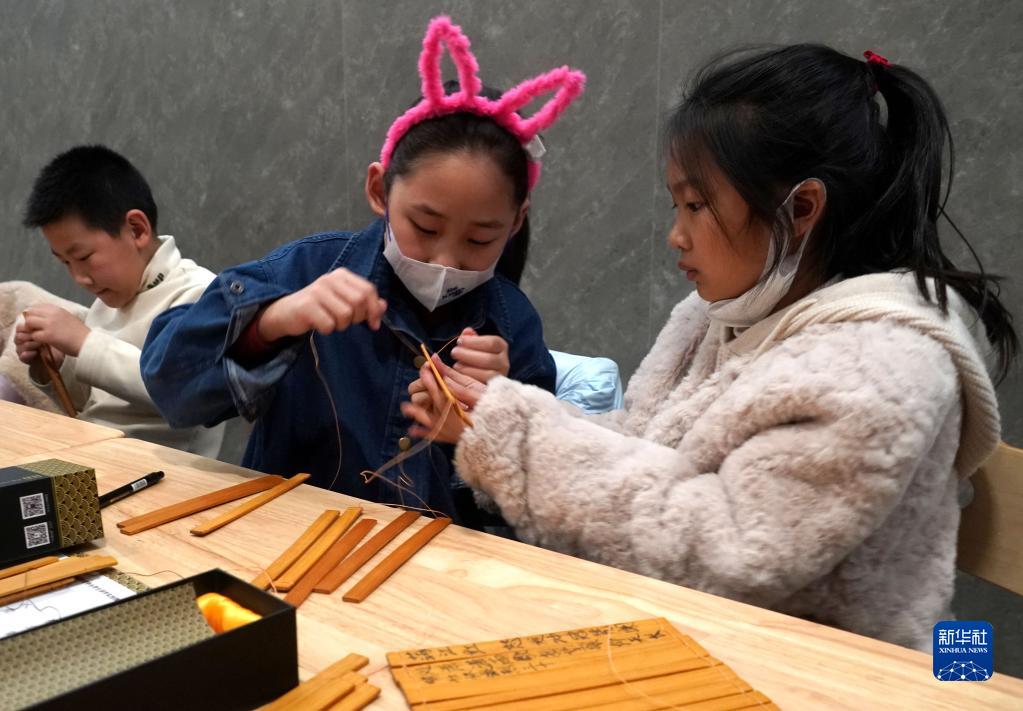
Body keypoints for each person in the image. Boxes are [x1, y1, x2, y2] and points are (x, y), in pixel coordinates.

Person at [402, 45, 1016, 649]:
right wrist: (494, 415)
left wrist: (511, 437)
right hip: (693, 632)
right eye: (677, 205)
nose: (676, 234)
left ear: (801, 208)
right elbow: (645, 443)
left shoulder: (879, 368)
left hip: (824, 668)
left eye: (696, 205)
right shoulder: (722, 313)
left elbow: (727, 551)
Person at [140, 16, 585, 524]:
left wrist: (499, 418)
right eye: (425, 226)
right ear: (379, 190)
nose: (445, 261)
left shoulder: (512, 327)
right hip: (285, 541)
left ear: (515, 223)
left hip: (433, 561)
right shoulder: (305, 271)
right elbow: (169, 387)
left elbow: (534, 506)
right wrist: (271, 323)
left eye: (480, 239)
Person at [15, 145, 224, 457]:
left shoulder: (199, 293)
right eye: (65, 263)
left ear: (136, 230)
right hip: (98, 456)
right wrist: (54, 365)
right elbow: (96, 405)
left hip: (165, 472)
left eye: (83, 257)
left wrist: (84, 342)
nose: (79, 277)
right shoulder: (110, 299)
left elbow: (181, 389)